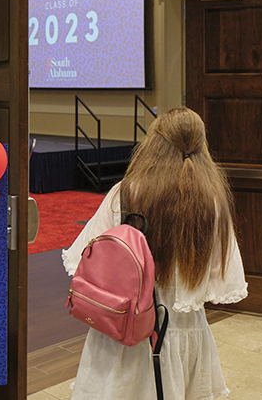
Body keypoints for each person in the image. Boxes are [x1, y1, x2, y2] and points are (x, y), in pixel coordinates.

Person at [62, 107, 247, 399]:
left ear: (154, 144)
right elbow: (222, 277)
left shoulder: (125, 192)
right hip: (183, 328)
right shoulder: (212, 202)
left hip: (125, 327)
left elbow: (84, 257)